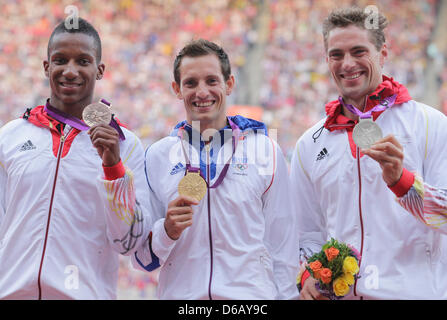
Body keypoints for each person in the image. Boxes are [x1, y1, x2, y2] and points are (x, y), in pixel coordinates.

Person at [291, 7, 447, 300]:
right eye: (336, 55)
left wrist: (402, 181)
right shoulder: (309, 144)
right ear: (327, 61)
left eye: (358, 51)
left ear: (383, 53)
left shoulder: (431, 125)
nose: (347, 64)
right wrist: (308, 273)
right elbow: (307, 233)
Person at [132, 39, 299, 299]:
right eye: (191, 83)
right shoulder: (157, 156)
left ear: (229, 84)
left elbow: (283, 245)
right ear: (177, 89)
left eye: (211, 81)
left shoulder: (266, 151)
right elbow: (142, 258)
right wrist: (167, 232)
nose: (201, 92)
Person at [0, 18, 151, 299]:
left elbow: (129, 243)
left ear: (99, 69)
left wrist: (113, 169)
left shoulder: (126, 145)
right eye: (60, 60)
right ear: (47, 67)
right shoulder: (10, 137)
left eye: (83, 61)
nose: (70, 71)